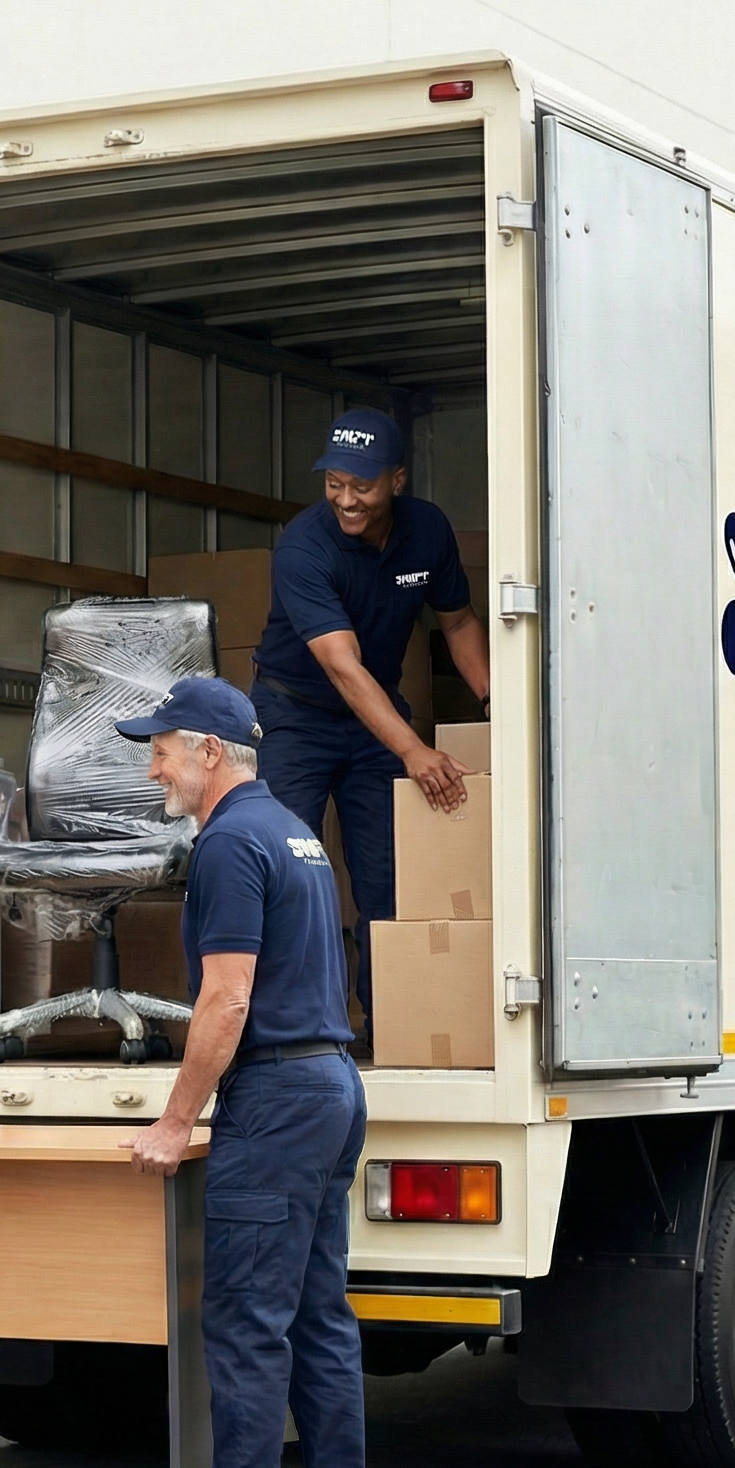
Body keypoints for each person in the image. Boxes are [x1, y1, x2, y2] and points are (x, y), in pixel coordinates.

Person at [115, 677, 366, 1468]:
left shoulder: (226, 843)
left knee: (249, 1329)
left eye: (163, 749)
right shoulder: (295, 833)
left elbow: (226, 997)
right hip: (332, 1080)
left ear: (211, 751)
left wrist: (177, 1120)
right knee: (318, 1321)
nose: (154, 768)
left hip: (277, 1096)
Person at [247, 407, 490, 1043]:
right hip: (295, 716)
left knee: (386, 885)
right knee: (293, 874)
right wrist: (414, 750)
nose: (346, 500)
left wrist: (496, 701)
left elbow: (458, 621)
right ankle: (299, 1039)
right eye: (334, 484)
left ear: (397, 480)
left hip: (372, 721)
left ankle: (394, 1030)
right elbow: (342, 666)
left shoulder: (428, 531)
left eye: (362, 486)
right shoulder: (305, 547)